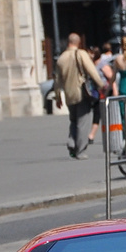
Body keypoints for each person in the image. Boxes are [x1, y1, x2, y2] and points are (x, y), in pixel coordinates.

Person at [54, 31, 102, 159]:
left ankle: (72, 141)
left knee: (73, 120)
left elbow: (57, 80)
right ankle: (80, 150)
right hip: (81, 92)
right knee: (83, 121)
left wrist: (58, 97)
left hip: (69, 94)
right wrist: (101, 85)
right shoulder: (81, 54)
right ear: (78, 42)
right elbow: (92, 71)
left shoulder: (61, 58)